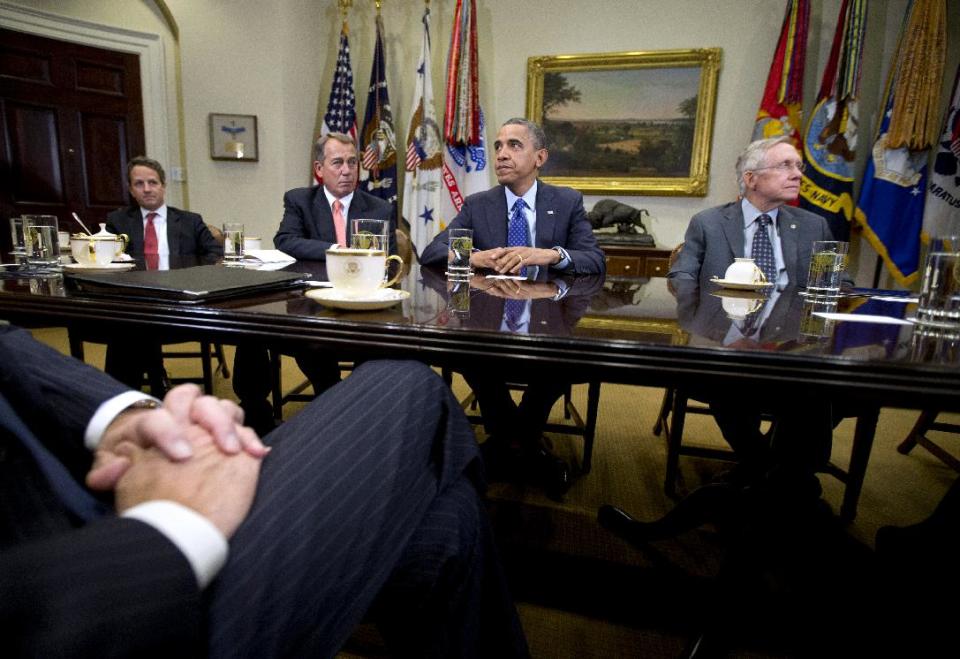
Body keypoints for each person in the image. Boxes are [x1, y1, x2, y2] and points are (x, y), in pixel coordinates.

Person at [0, 322, 527, 658]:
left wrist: (125, 417)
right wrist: (172, 528)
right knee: (405, 383)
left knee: (447, 524)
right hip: (98, 603)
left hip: (72, 498)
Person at [420, 118, 605, 499]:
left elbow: (595, 261)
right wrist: (477, 256)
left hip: (550, 322)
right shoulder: (477, 205)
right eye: (499, 145)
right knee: (473, 357)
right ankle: (522, 441)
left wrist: (549, 254)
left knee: (558, 365)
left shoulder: (566, 201)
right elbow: (432, 253)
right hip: (489, 324)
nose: (502, 153)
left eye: (514, 145)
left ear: (540, 157)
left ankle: (510, 440)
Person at [233, 134, 398, 433]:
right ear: (320, 169)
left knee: (379, 347)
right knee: (253, 328)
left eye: (352, 162)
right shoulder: (300, 200)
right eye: (338, 163)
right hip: (313, 303)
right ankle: (257, 412)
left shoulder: (379, 208)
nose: (347, 170)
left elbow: (390, 259)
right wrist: (335, 250)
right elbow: (286, 240)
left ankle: (347, 407)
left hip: (364, 307)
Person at [102, 156, 222, 393]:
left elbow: (215, 253)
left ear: (163, 186)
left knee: (133, 328)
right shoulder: (117, 221)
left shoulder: (190, 221)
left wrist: (192, 276)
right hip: (134, 297)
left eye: (152, 182)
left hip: (179, 298)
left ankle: (124, 391)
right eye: (139, 184)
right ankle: (153, 379)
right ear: (131, 190)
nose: (147, 189)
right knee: (128, 322)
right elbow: (107, 258)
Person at [668, 136, 835, 287]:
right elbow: (681, 275)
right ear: (751, 179)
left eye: (799, 166)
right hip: (725, 316)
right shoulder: (708, 223)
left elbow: (839, 281)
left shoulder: (814, 226)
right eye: (785, 165)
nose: (798, 175)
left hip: (790, 318)